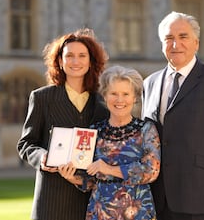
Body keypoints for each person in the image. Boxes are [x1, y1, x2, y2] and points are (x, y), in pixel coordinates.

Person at [141, 11, 204, 220]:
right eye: (169, 38)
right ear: (162, 45)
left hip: (198, 200)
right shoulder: (149, 83)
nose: (175, 44)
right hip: (154, 200)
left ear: (196, 43)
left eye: (183, 37)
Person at [17, 28, 109, 220]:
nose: (76, 61)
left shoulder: (103, 104)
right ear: (60, 61)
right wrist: (42, 157)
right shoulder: (42, 98)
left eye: (82, 55)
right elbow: (26, 144)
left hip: (89, 200)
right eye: (70, 56)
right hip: (51, 199)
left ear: (91, 61)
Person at [58, 65, 161, 220]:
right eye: (113, 93)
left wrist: (108, 169)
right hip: (100, 213)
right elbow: (90, 180)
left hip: (137, 213)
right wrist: (70, 176)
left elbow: (151, 171)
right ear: (105, 96)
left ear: (135, 98)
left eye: (126, 94)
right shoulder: (93, 131)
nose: (120, 100)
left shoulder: (146, 129)